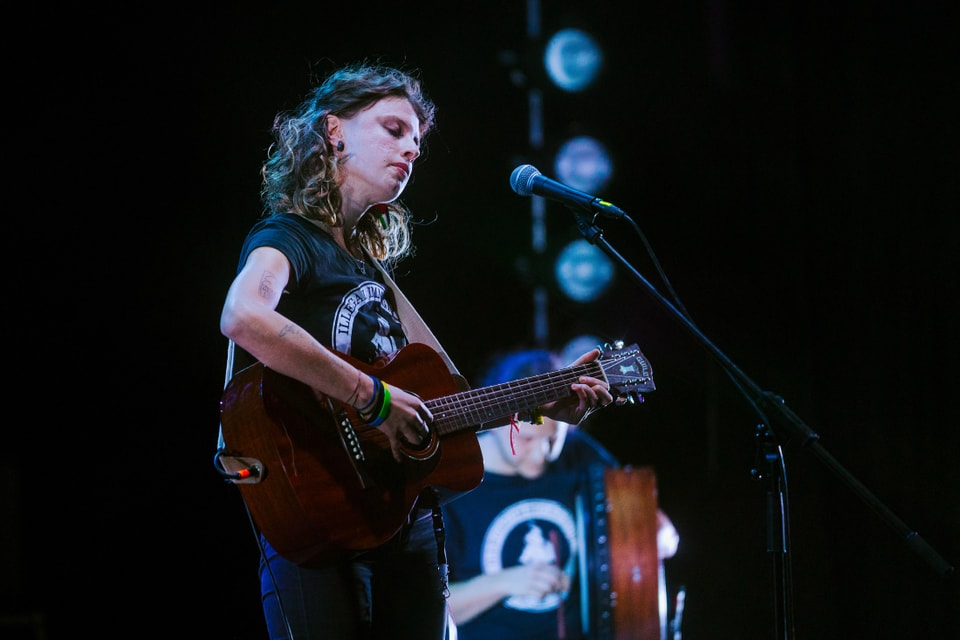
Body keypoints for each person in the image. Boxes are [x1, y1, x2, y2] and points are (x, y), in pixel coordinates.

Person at [218, 62, 614, 640]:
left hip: (404, 520)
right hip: (319, 508)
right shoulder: (288, 237)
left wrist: (540, 406)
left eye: (416, 141)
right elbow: (244, 315)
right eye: (393, 128)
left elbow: (437, 410)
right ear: (334, 131)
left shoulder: (368, 267)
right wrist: (371, 398)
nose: (410, 150)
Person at [444, 348, 680, 640]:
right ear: (497, 421)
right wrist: (504, 582)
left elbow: (662, 535)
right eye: (528, 438)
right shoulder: (456, 480)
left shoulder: (579, 454)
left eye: (552, 441)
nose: (540, 455)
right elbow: (434, 606)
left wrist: (650, 539)